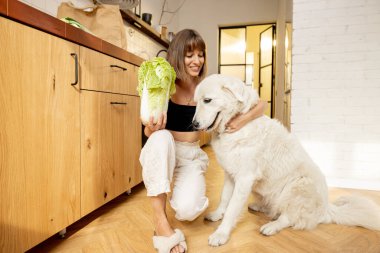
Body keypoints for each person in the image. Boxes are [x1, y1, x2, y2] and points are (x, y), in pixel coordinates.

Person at [139, 29, 267, 253]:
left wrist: (240, 121)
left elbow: (260, 103)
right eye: (190, 55)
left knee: (188, 211)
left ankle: (172, 192)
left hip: (191, 156)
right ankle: (160, 222)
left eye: (201, 54)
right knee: (160, 138)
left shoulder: (209, 85)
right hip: (163, 148)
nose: (197, 61)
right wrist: (151, 128)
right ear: (178, 55)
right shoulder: (164, 83)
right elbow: (147, 135)